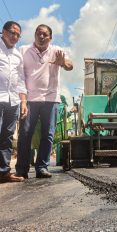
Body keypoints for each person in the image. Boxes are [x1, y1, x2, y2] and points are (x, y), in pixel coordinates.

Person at [15, 24, 73, 179]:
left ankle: (42, 167)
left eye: (45, 35)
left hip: (51, 99)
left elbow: (70, 65)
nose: (41, 37)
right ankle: (21, 169)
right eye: (39, 34)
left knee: (48, 134)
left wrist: (62, 63)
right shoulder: (23, 50)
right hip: (30, 99)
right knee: (25, 133)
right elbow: (18, 74)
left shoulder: (56, 51)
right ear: (34, 34)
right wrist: (22, 99)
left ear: (50, 38)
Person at [0, 21, 27, 187]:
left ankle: (3, 172)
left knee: (7, 137)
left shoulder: (17, 55)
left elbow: (21, 79)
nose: (14, 37)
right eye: (12, 32)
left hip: (13, 99)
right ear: (3, 31)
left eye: (18, 35)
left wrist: (23, 101)